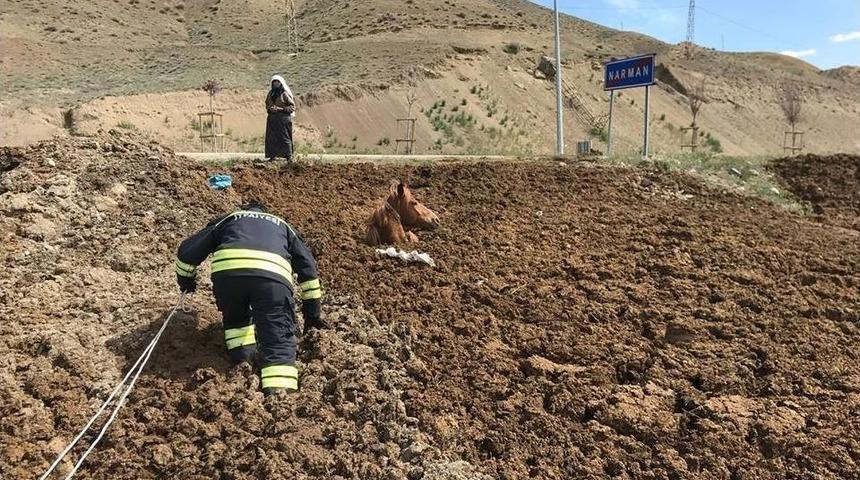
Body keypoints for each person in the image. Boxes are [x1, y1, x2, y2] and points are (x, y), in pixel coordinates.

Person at [174, 201, 324, 396]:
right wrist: (312, 315)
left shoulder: (230, 219)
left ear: (244, 210)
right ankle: (280, 394)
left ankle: (243, 364)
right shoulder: (281, 224)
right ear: (265, 212)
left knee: (236, 322)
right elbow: (308, 271)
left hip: (228, 278)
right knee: (277, 338)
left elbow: (186, 254)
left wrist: (187, 283)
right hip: (271, 279)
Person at [265, 75, 296, 160]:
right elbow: (267, 104)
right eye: (274, 82)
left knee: (285, 137)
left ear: (281, 83)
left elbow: (292, 106)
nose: (276, 84)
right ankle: (272, 157)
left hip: (283, 118)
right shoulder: (270, 93)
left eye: (277, 82)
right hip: (272, 118)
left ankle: (289, 157)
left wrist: (281, 109)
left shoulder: (284, 94)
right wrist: (270, 108)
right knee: (272, 138)